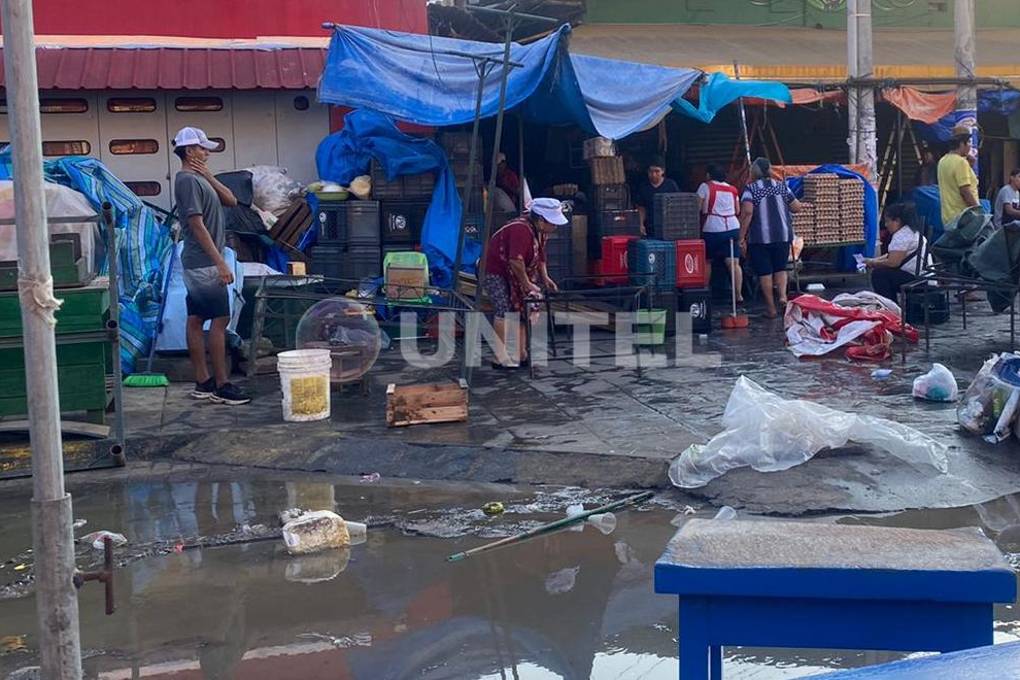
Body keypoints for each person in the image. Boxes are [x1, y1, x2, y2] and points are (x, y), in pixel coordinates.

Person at [172, 126, 249, 405]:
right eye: (202, 148)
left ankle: (203, 382)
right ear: (189, 151)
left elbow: (231, 200)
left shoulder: (199, 178)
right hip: (204, 262)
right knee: (220, 320)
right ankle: (222, 385)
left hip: (201, 261)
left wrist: (209, 176)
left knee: (196, 320)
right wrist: (220, 263)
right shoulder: (187, 181)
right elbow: (196, 223)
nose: (206, 153)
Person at [483, 198, 567, 369]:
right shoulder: (520, 229)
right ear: (541, 220)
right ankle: (499, 356)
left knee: (523, 310)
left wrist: (545, 278)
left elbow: (541, 257)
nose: (555, 227)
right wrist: (526, 283)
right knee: (504, 309)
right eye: (553, 222)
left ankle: (521, 353)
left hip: (517, 271)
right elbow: (515, 260)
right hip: (495, 270)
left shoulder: (540, 232)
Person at [738, 157, 802, 319]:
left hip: (760, 237)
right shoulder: (781, 186)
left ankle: (771, 309)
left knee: (764, 272)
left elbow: (747, 213)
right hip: (782, 235)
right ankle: (782, 296)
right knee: (780, 268)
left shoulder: (750, 189)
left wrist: (741, 236)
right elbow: (796, 208)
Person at [865, 202, 932, 301]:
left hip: (918, 280)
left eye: (888, 221)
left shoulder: (902, 236)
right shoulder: (911, 231)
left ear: (897, 221)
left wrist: (873, 263)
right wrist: (873, 260)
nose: (886, 225)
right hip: (925, 278)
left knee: (879, 275)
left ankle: (890, 308)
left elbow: (893, 262)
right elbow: (893, 254)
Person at [697, 164, 742, 302]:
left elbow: (697, 207)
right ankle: (738, 295)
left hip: (712, 228)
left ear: (709, 175)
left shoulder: (705, 187)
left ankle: (704, 292)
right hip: (733, 228)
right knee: (733, 263)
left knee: (707, 261)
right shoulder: (733, 189)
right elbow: (738, 210)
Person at [937, 125, 980, 226]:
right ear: (961, 143)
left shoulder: (943, 161)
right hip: (963, 218)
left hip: (949, 218)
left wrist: (970, 165)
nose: (970, 146)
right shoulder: (960, 162)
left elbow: (953, 183)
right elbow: (965, 191)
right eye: (969, 142)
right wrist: (979, 212)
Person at [635, 156, 680, 232]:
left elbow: (677, 206)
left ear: (663, 171)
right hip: (649, 227)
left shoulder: (671, 185)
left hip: (668, 227)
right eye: (651, 171)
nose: (653, 174)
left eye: (657, 171)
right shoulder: (643, 187)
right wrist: (641, 224)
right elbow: (641, 208)